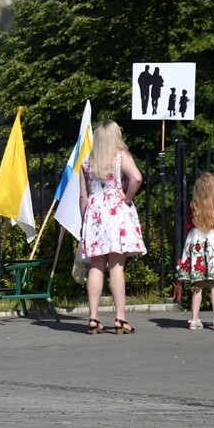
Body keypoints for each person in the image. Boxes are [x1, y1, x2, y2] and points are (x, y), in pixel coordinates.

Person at [79, 119, 147, 334]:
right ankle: (120, 318)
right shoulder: (120, 156)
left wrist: (86, 221)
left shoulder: (88, 161)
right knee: (117, 266)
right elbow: (136, 177)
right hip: (115, 210)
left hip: (95, 211)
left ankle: (93, 317)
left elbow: (83, 196)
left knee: (96, 265)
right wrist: (127, 198)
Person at [176, 173, 214, 330]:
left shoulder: (194, 206)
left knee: (198, 284)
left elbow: (188, 227)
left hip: (197, 242)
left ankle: (194, 319)